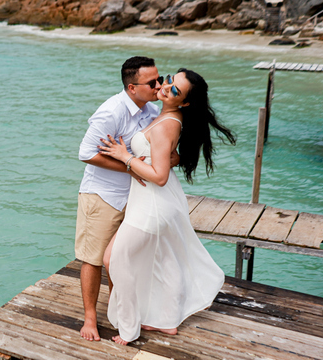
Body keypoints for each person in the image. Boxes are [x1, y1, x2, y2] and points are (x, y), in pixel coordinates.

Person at [98, 68, 236, 345]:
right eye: (170, 79)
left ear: (184, 102)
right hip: (156, 203)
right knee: (165, 258)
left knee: (113, 260)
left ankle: (129, 329)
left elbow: (159, 176)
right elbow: (165, 160)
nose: (166, 86)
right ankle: (168, 321)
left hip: (152, 205)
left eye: (174, 90)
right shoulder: (170, 118)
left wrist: (125, 157)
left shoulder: (167, 124)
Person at [75, 56, 162, 341]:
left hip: (136, 196)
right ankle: (90, 317)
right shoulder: (112, 112)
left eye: (160, 79)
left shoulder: (152, 110)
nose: (158, 85)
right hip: (103, 195)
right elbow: (86, 152)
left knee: (123, 257)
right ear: (132, 87)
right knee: (94, 258)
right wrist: (128, 164)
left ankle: (120, 313)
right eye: (152, 82)